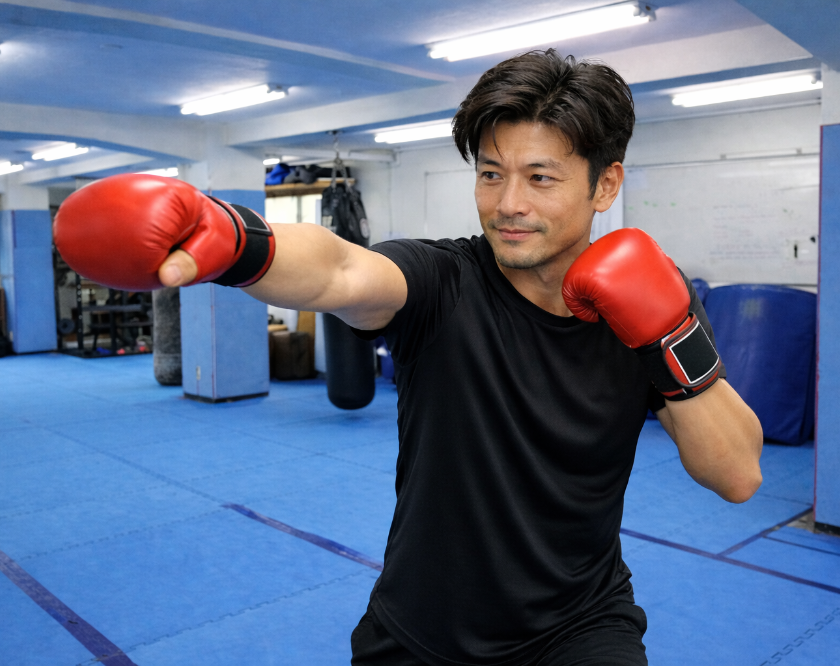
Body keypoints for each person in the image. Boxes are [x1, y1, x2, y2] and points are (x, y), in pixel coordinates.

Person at [54, 50, 763, 666]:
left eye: (541, 178)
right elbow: (340, 271)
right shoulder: (442, 280)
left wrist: (665, 335)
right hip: (420, 627)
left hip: (582, 624)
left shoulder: (656, 306)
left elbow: (737, 475)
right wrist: (237, 240)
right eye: (491, 174)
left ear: (604, 185)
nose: (508, 204)